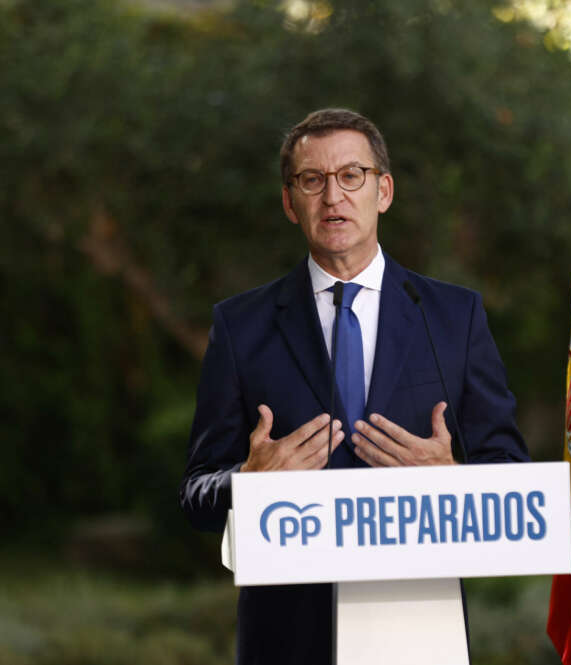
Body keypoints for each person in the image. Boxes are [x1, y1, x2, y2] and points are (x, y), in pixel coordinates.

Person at [180, 108, 528, 665]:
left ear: (383, 191)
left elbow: (510, 472)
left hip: (419, 624)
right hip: (288, 634)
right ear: (290, 203)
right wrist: (249, 480)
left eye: (352, 176)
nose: (333, 197)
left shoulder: (453, 317)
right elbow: (197, 495)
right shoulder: (240, 326)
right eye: (312, 181)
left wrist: (454, 480)